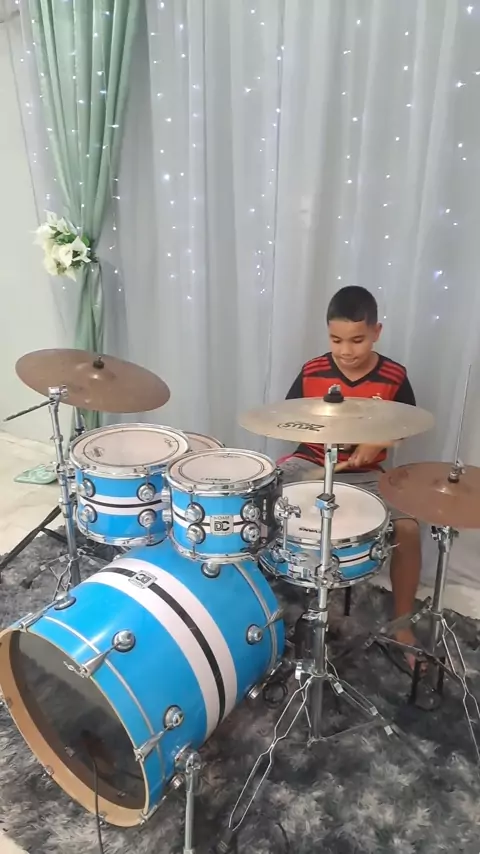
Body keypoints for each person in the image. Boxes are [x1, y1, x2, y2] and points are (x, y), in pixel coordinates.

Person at [281, 285, 421, 669]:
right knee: (259, 498)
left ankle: (403, 625)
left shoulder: (394, 376)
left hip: (366, 474)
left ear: (377, 332)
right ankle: (255, 601)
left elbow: (407, 426)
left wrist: (378, 442)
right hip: (309, 462)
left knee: (408, 529)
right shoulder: (312, 371)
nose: (346, 351)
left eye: (357, 340)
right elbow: (288, 420)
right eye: (336, 339)